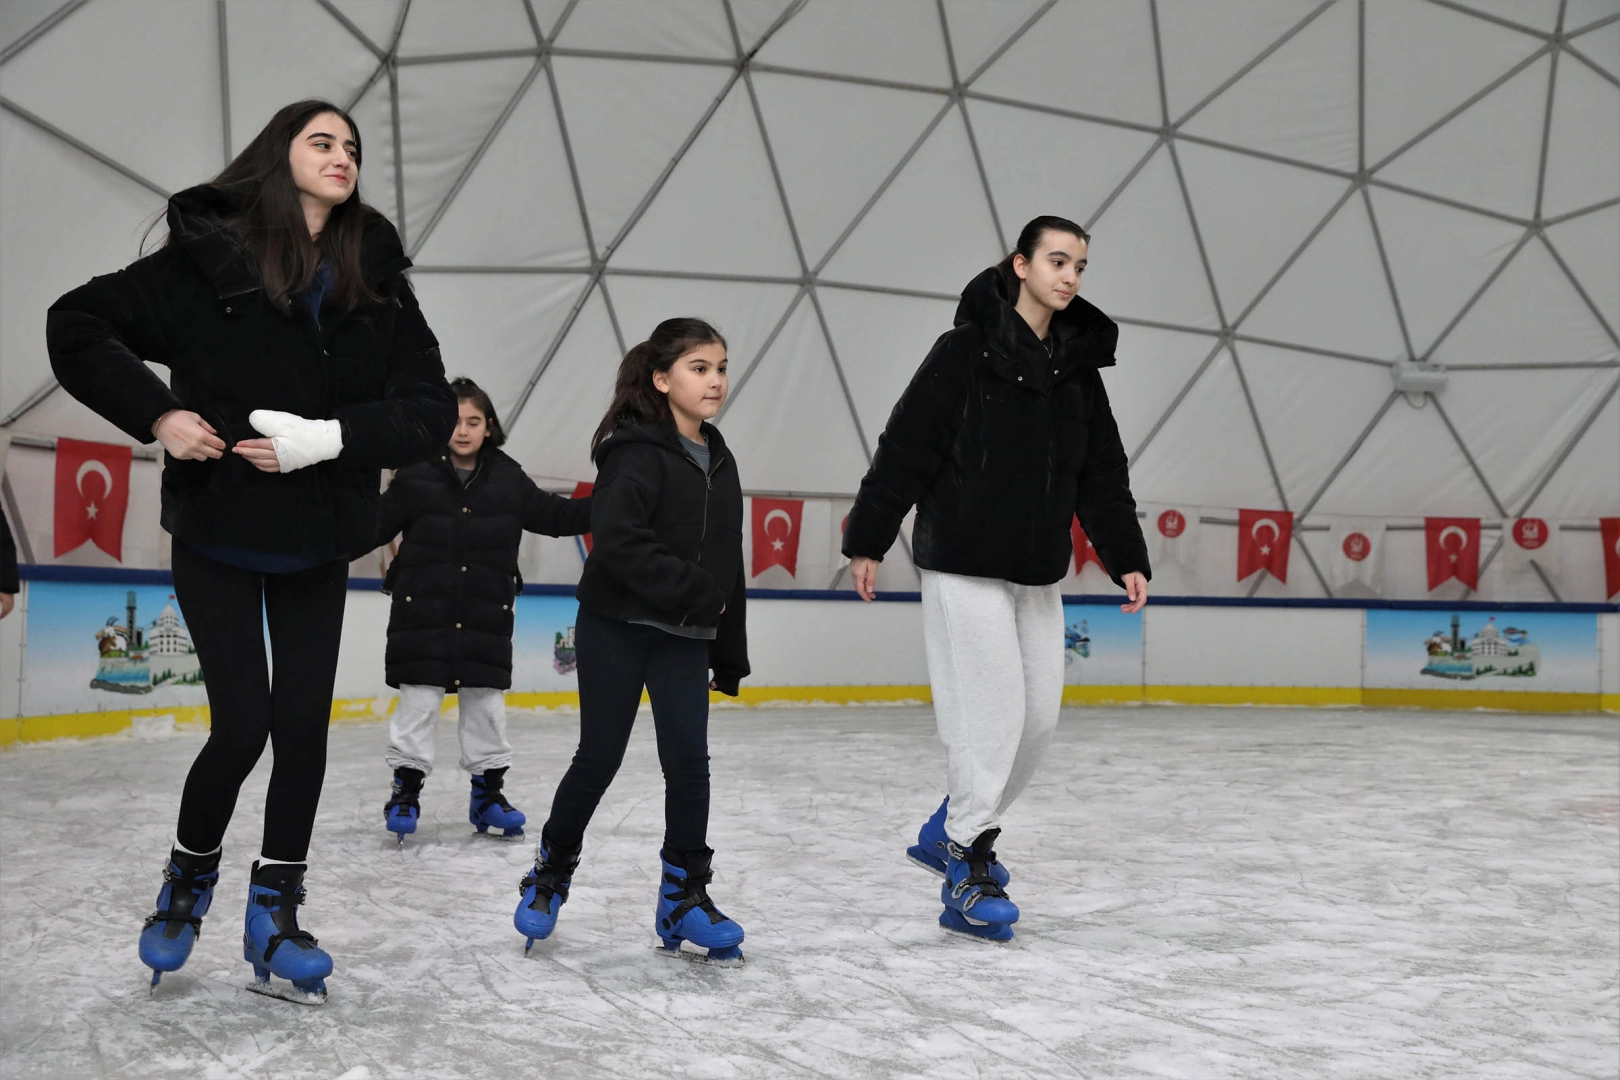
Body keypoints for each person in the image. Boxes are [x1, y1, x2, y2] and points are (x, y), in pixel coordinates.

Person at [46, 99, 456, 1002]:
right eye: (323, 141)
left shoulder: (376, 283)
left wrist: (329, 438)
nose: (342, 155)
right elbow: (76, 324)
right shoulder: (205, 264)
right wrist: (156, 414)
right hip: (221, 531)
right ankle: (186, 884)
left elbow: (430, 413)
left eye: (352, 146)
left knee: (303, 731)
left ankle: (275, 910)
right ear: (280, 157)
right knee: (243, 727)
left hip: (316, 537)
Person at [842, 215, 1150, 942]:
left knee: (1036, 721)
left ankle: (950, 829)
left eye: (1079, 264)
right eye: (1056, 260)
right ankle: (970, 860)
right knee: (991, 714)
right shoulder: (963, 351)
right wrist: (870, 535)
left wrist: (1125, 554)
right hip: (963, 559)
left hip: (1037, 569)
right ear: (1021, 264)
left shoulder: (1076, 373)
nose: (1070, 275)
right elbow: (907, 446)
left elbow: (1102, 475)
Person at [512, 318, 750, 964]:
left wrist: (727, 645)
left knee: (689, 765)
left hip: (684, 638)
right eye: (700, 367)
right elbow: (619, 546)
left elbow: (729, 560)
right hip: (617, 627)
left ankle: (684, 899)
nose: (715, 380)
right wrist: (701, 595)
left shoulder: (719, 458)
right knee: (599, 756)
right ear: (661, 377)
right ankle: (550, 873)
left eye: (721, 367)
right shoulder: (633, 451)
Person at [373, 377, 591, 844]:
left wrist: (614, 500)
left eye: (474, 421)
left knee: (487, 708)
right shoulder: (416, 475)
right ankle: (405, 793)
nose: (463, 430)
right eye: (453, 421)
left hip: (485, 618)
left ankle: (488, 795)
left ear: (489, 427)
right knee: (418, 703)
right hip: (421, 617)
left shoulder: (509, 478)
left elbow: (556, 517)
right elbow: (372, 524)